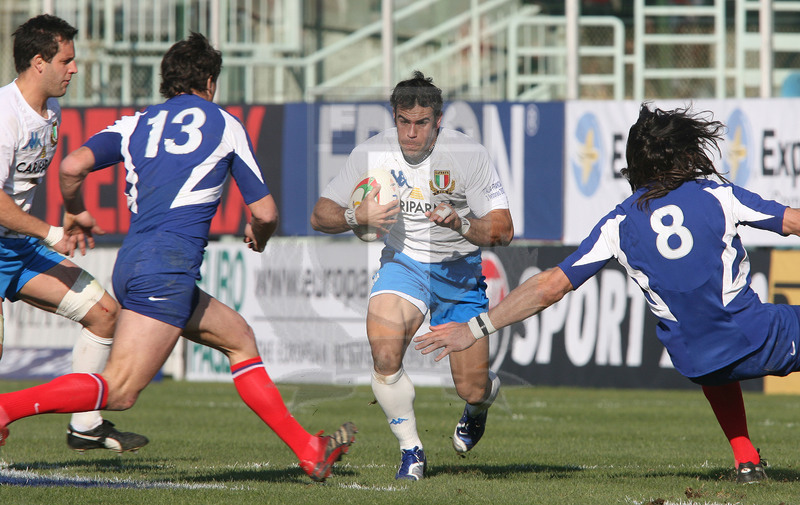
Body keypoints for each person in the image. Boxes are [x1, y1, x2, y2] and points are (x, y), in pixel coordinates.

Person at [0, 32, 356, 482]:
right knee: (122, 388)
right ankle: (5, 408)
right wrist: (259, 236)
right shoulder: (225, 124)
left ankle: (309, 449)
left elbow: (72, 166)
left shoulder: (136, 122)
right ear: (210, 82)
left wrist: (75, 210)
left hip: (136, 262)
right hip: (167, 268)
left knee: (239, 338)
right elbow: (265, 212)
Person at [415, 102, 800, 484]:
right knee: (740, 331)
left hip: (696, 359)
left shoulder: (617, 222)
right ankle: (745, 457)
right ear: (685, 152)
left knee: (713, 355)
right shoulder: (716, 192)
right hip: (755, 336)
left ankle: (746, 460)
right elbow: (791, 222)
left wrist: (474, 328)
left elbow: (549, 286)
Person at [311, 71, 513, 480]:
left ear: (438, 121)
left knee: (471, 388)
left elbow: (503, 229)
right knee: (384, 353)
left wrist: (460, 224)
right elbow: (319, 214)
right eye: (404, 122)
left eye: (422, 123)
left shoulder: (467, 154)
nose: (411, 133)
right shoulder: (372, 153)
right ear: (394, 117)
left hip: (459, 274)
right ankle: (411, 451)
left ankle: (479, 406)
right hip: (404, 264)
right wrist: (355, 215)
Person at [0, 14, 148, 453]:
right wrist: (49, 232)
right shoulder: (5, 116)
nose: (74, 69)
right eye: (67, 60)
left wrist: (71, 212)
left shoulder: (52, 112)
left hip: (17, 248)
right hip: (22, 240)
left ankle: (84, 426)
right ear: (38, 61)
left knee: (104, 312)